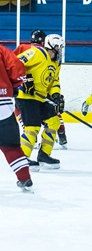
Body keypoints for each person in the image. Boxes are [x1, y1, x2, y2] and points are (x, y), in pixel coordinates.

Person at [15, 34, 65, 171]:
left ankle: (44, 155)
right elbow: (15, 63)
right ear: (50, 46)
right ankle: (22, 158)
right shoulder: (37, 53)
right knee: (32, 127)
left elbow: (54, 81)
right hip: (26, 96)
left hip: (40, 97)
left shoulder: (55, 63)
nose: (59, 50)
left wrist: (56, 96)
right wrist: (25, 80)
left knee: (54, 122)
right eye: (57, 47)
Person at [0, 44, 33, 192]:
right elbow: (17, 68)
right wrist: (14, 86)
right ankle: (24, 177)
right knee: (10, 145)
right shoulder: (1, 50)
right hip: (3, 104)